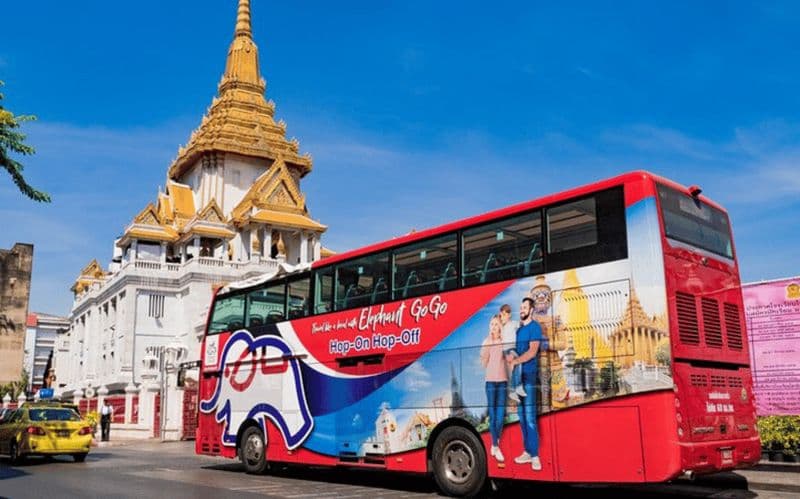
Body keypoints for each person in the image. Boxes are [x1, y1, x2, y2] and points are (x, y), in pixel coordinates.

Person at [508, 297, 543, 471]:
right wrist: (511, 356)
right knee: (522, 418)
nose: (521, 309)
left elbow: (532, 351)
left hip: (529, 379)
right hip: (518, 379)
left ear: (531, 310)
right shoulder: (519, 331)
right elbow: (519, 351)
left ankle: (535, 456)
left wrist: (516, 361)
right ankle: (527, 452)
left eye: (524, 307)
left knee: (530, 418)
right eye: (520, 307)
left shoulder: (534, 327)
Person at [479, 315, 508, 462]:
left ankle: (495, 446)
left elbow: (509, 360)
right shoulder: (486, 342)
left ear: (499, 327)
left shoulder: (504, 342)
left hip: (502, 381)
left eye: (496, 324)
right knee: (493, 412)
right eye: (491, 324)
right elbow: (483, 363)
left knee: (500, 414)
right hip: (490, 382)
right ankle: (495, 445)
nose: (493, 327)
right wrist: (488, 345)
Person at [499, 304, 524, 402]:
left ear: (509, 315)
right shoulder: (502, 327)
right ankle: (516, 387)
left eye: (505, 314)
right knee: (516, 363)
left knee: (513, 369)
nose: (503, 317)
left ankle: (514, 389)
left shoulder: (514, 323)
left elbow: (522, 323)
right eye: (501, 315)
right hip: (507, 349)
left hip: (512, 348)